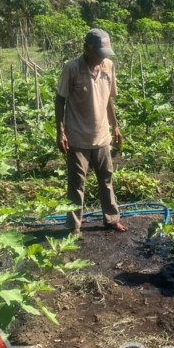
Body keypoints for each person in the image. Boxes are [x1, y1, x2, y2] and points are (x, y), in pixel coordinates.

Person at [55, 28, 127, 235]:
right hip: (77, 136)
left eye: (105, 53)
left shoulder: (108, 66)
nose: (101, 58)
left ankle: (112, 219)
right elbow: (60, 99)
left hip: (101, 135)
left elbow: (109, 99)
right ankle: (74, 225)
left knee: (106, 179)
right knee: (77, 184)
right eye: (98, 53)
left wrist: (115, 126)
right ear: (86, 48)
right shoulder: (72, 68)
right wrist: (61, 131)